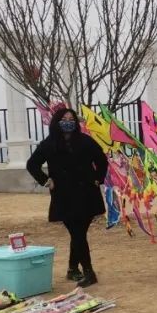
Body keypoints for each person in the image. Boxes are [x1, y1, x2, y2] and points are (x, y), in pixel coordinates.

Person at [26, 107, 109, 287]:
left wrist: (97, 179)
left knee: (78, 233)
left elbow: (102, 160)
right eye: (64, 118)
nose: (68, 122)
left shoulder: (86, 141)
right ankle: (87, 271)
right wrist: (46, 181)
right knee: (77, 233)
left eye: (71, 119)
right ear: (57, 122)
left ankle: (75, 269)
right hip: (64, 195)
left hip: (87, 193)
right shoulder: (49, 144)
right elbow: (32, 164)